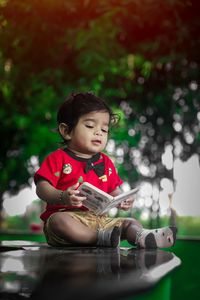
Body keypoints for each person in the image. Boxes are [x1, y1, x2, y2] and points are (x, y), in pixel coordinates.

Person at [34, 92, 177, 248]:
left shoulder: (106, 162)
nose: (98, 133)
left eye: (104, 129)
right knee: (57, 222)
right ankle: (98, 238)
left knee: (130, 222)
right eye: (90, 126)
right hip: (69, 217)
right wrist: (62, 196)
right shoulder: (57, 158)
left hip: (101, 221)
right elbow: (42, 188)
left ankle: (142, 236)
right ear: (66, 131)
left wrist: (122, 199)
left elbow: (114, 190)